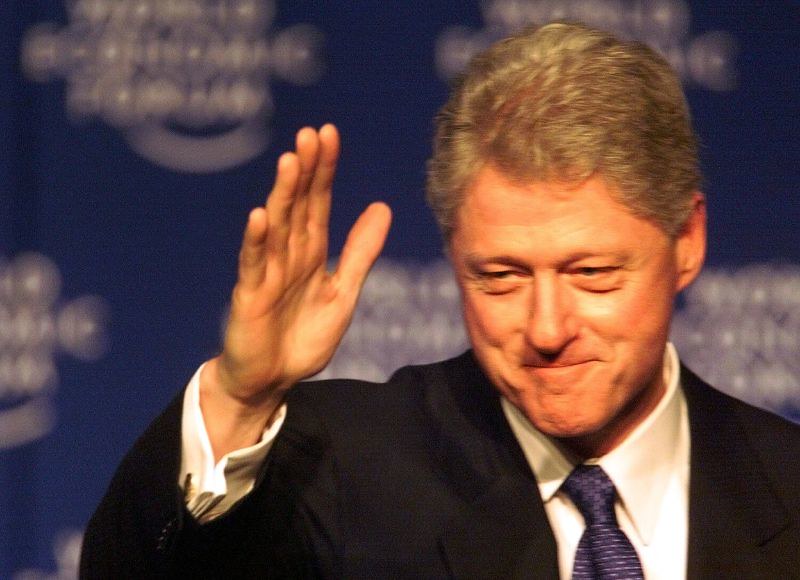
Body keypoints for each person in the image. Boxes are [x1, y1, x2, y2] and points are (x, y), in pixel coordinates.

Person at [80, 22, 800, 579]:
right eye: (501, 278)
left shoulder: (786, 485)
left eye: (591, 274)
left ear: (687, 243)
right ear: (454, 254)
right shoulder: (334, 472)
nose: (547, 329)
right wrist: (239, 398)